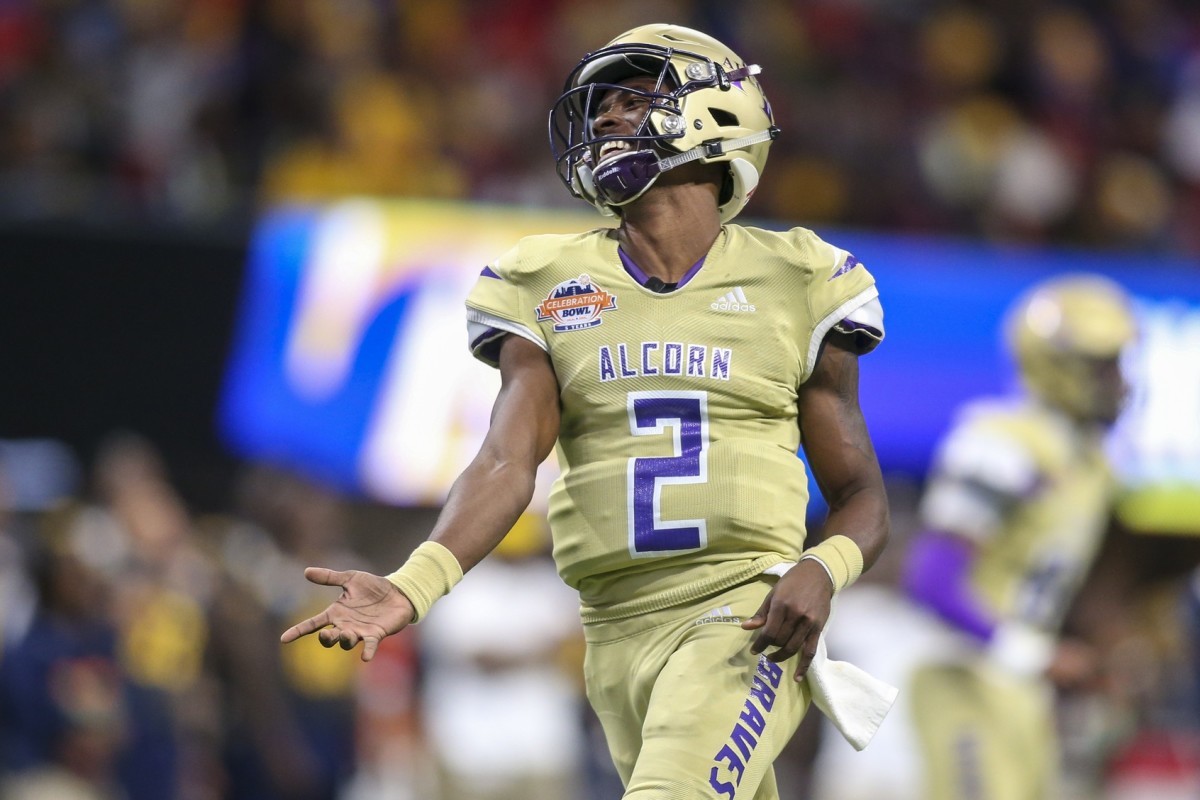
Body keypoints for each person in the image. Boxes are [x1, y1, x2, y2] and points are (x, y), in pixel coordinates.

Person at [282, 23, 892, 799]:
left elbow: (863, 499)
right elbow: (508, 458)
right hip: (610, 630)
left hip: (742, 614)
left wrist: (820, 567)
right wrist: (413, 585)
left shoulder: (801, 279)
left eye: (633, 100)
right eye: (598, 105)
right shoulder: (544, 279)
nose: (603, 118)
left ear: (718, 114)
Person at [811, 273, 1139, 800]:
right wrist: (1035, 655)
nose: (1119, 380)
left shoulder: (1092, 463)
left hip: (1011, 681)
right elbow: (934, 578)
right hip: (955, 670)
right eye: (1103, 365)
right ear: (1059, 365)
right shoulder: (1003, 443)